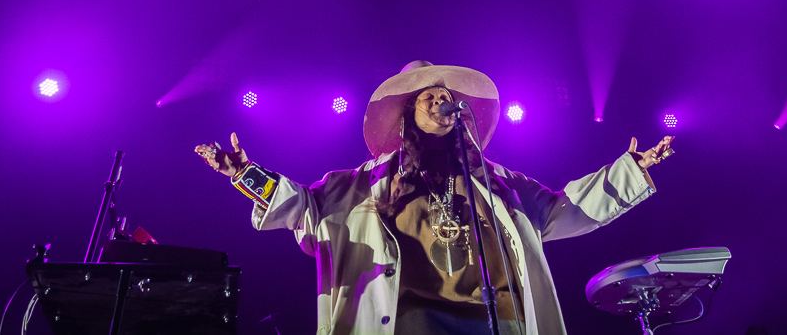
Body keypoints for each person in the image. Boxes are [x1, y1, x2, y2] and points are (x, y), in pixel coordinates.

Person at [195, 61, 674, 335]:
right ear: (406, 114)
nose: (438, 98)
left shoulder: (497, 182)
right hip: (412, 325)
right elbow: (302, 207)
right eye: (426, 95)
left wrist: (630, 171)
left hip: (496, 324)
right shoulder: (359, 185)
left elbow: (562, 210)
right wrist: (246, 174)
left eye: (444, 94)